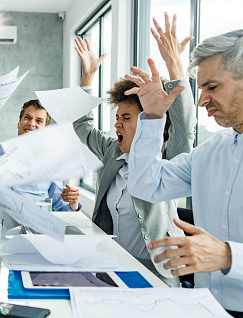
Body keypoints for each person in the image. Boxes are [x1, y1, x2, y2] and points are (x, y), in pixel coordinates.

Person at [121, 28, 243, 318]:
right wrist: (152, 118)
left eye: (212, 86)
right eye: (200, 88)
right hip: (204, 314)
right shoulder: (209, 153)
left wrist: (230, 257)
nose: (202, 100)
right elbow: (145, 186)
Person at [72, 13, 196, 286]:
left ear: (148, 119)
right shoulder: (111, 152)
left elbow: (184, 127)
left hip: (156, 275)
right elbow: (82, 124)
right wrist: (88, 75)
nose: (117, 123)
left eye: (126, 118)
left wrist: (175, 67)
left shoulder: (167, 158)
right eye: (117, 117)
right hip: (111, 268)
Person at [0, 99, 81, 212]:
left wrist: (73, 204)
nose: (31, 124)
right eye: (27, 118)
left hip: (30, 229)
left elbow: (58, 207)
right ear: (19, 124)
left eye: (39, 121)